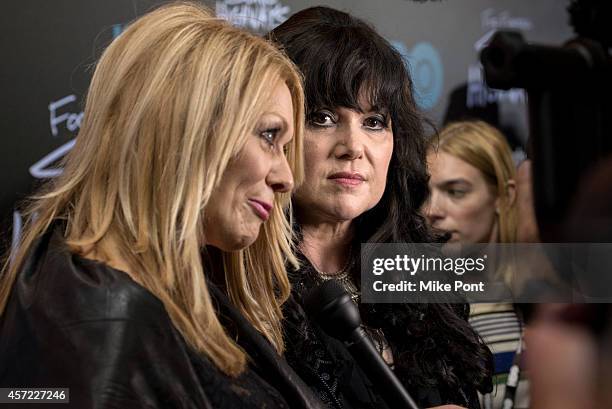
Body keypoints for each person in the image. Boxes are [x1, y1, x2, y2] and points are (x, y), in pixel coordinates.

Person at [0, 3, 323, 408]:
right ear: (186, 126)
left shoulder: (147, 290)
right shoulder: (103, 317)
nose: (286, 178)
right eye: (268, 136)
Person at [269, 7, 493, 409]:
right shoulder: (243, 284)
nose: (353, 147)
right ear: (274, 131)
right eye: (322, 118)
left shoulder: (418, 271)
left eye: (373, 122)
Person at [423, 120, 529, 409]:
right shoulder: (418, 314)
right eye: (424, 194)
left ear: (504, 196)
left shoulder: (544, 306)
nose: (432, 211)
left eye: (456, 192)